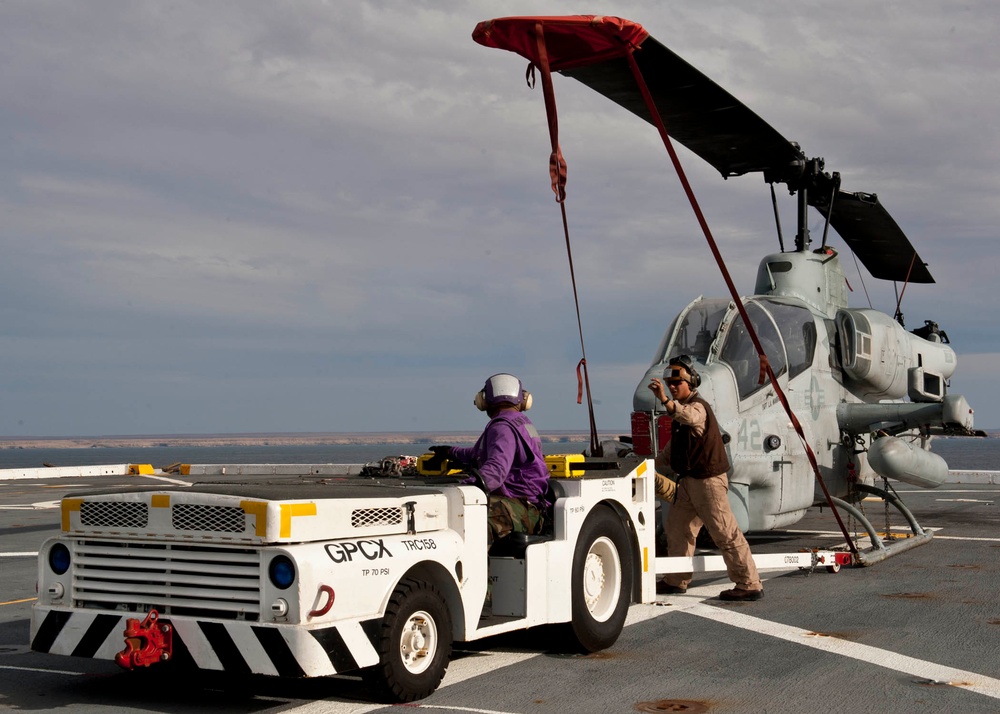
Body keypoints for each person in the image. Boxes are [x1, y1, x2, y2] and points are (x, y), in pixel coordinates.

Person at [648, 355, 763, 601]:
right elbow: (670, 453)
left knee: (725, 532)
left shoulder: (698, 407)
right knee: (677, 529)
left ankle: (749, 583)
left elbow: (689, 416)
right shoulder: (679, 417)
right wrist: (646, 465)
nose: (673, 387)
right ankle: (676, 580)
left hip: (708, 484)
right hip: (689, 484)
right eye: (670, 384)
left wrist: (665, 401)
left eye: (678, 382)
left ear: (692, 383)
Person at [431, 373, 550, 547]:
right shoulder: (519, 422)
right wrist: (451, 452)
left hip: (521, 506)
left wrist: (460, 488)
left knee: (465, 522)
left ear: (484, 400)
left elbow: (495, 472)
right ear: (522, 400)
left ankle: (476, 574)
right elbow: (481, 454)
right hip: (530, 504)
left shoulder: (502, 427)